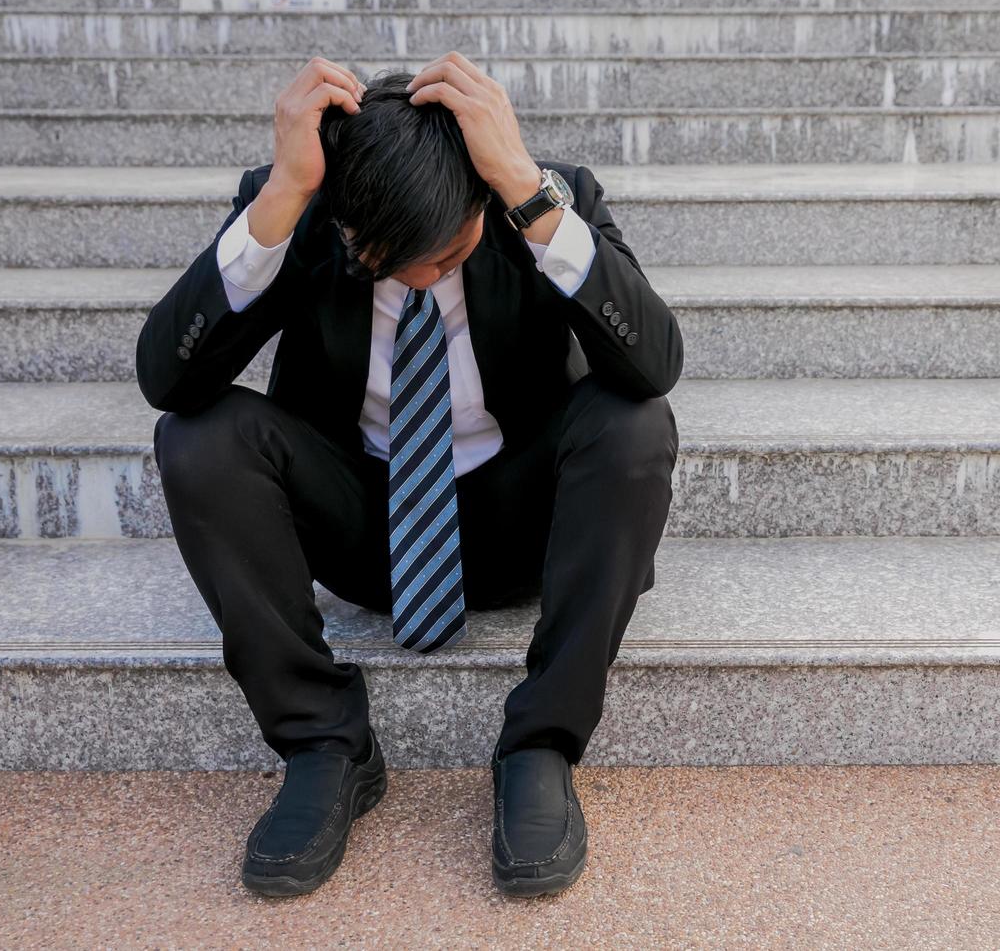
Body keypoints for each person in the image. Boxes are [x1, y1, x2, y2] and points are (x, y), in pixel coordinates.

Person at [134, 53, 683, 898]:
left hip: (522, 526)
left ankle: (540, 745)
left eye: (446, 253)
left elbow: (653, 364)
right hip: (361, 523)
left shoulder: (541, 192)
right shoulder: (307, 207)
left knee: (634, 423)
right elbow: (168, 381)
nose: (423, 276)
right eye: (391, 261)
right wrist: (281, 198)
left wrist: (523, 189)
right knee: (199, 436)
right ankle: (327, 745)